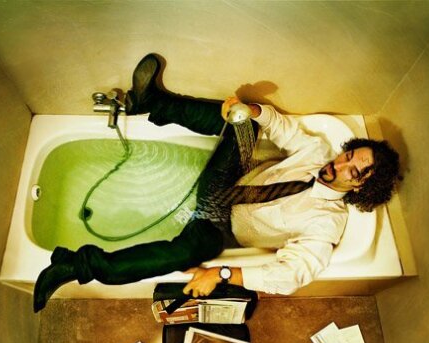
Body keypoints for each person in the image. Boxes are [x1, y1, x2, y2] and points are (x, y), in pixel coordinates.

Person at [33, 54, 401, 313]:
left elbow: (290, 276)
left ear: (361, 188)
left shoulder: (327, 223)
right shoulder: (318, 152)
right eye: (349, 155)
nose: (340, 164)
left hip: (222, 228)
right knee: (246, 123)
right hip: (230, 178)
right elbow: (279, 126)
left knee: (183, 255)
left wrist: (221, 273)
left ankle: (74, 267)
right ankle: (152, 102)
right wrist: (249, 110)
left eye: (354, 171)